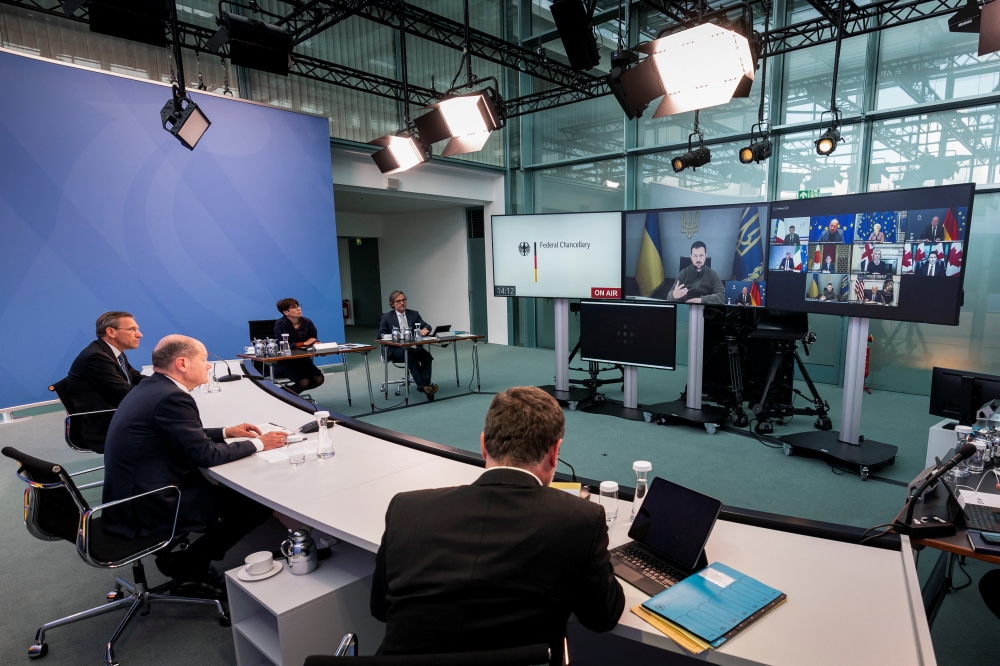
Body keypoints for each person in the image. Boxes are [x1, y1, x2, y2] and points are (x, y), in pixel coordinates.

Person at [370, 387, 625, 664]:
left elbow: (381, 608)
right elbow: (603, 617)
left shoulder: (407, 509)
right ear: (555, 453)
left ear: (483, 445)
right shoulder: (580, 519)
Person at [102, 335, 288, 599]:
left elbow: (180, 434)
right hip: (151, 502)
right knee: (253, 506)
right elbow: (205, 455)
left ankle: (187, 560)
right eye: (204, 360)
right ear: (182, 364)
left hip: (129, 493)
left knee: (230, 496)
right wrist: (259, 444)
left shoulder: (152, 388)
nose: (209, 366)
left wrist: (226, 431)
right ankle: (189, 564)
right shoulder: (172, 398)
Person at [65, 311, 146, 453]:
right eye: (132, 329)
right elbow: (127, 393)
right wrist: (163, 389)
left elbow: (136, 377)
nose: (139, 335)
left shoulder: (112, 352)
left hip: (118, 415)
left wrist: (166, 383)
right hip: (104, 426)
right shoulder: (96, 357)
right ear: (111, 332)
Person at [378, 291, 437, 399]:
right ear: (392, 304)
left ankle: (425, 385)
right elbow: (380, 335)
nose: (402, 303)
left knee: (426, 356)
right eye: (398, 301)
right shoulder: (387, 317)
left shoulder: (413, 314)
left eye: (404, 300)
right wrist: (393, 337)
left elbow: (427, 326)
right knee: (409, 357)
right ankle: (424, 386)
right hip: (395, 348)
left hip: (412, 346)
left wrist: (425, 329)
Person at [272, 298, 325, 395]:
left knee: (319, 379)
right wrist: (305, 343)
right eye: (294, 308)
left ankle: (284, 392)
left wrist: (316, 343)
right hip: (286, 362)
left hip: (304, 360)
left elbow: (313, 338)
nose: (299, 309)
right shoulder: (281, 323)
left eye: (298, 306)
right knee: (304, 382)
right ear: (286, 312)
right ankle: (284, 397)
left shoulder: (307, 322)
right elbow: (283, 344)